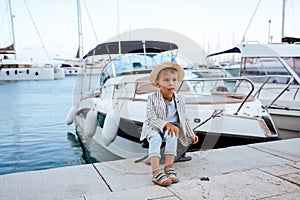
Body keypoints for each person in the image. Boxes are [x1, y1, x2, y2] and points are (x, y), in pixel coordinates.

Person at [140, 61, 199, 187]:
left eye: (174, 80)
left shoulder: (180, 99)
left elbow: (184, 118)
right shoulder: (152, 98)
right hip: (154, 126)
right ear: (158, 83)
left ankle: (169, 167)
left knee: (172, 135)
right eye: (166, 80)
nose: (171, 83)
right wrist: (166, 124)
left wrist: (191, 133)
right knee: (155, 138)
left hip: (171, 127)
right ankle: (156, 172)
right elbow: (150, 118)